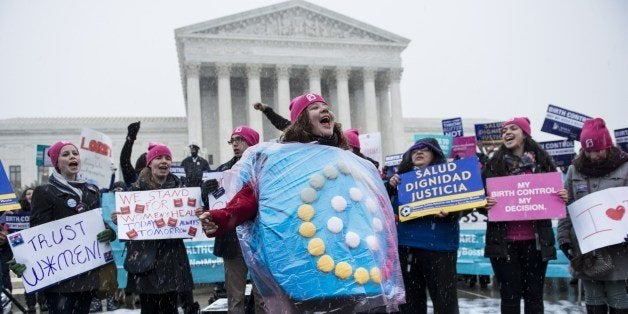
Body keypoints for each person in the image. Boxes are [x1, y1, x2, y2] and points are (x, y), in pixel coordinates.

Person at [198, 93, 404, 313]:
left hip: (355, 273)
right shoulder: (277, 159)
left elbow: (371, 209)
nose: (325, 110)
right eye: (314, 107)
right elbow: (249, 198)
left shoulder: (352, 161)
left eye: (326, 106)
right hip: (304, 275)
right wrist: (221, 218)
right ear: (302, 119)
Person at [8, 141, 117, 314]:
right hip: (60, 280)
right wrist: (22, 257)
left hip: (87, 276)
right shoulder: (44, 192)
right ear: (56, 163)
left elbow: (98, 226)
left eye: (75, 153)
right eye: (65, 154)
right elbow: (36, 234)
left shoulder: (91, 190)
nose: (72, 156)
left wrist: (109, 233)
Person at [482, 118, 568, 313]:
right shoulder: (493, 165)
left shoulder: (544, 163)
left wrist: (561, 196)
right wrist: (483, 203)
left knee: (534, 297)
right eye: (504, 130)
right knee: (510, 298)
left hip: (536, 244)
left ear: (525, 134)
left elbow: (553, 196)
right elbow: (478, 199)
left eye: (513, 128)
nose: (507, 133)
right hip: (504, 244)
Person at [112, 144, 194, 314]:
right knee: (149, 308)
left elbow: (188, 221)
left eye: (168, 158)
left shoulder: (181, 189)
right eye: (159, 158)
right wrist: (119, 219)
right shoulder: (135, 190)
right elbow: (129, 223)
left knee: (170, 307)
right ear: (149, 162)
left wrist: (195, 213)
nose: (164, 161)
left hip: (172, 258)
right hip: (145, 260)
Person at [557, 118, 628, 314]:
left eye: (598, 150)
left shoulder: (625, 167)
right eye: (588, 151)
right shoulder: (574, 169)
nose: (593, 155)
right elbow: (566, 205)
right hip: (586, 244)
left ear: (608, 145)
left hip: (618, 247)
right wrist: (563, 238)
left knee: (617, 294)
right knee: (593, 294)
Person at [385, 138, 460, 314]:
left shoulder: (450, 177)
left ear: (435, 154)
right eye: (415, 150)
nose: (419, 152)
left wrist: (451, 211)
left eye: (425, 149)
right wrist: (390, 186)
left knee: (445, 303)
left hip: (440, 248)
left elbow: (467, 204)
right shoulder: (400, 179)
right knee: (411, 304)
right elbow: (384, 204)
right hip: (408, 248)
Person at [209, 125, 266, 314]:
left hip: (260, 241)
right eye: (232, 141)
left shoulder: (265, 167)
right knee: (235, 299)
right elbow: (214, 207)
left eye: (240, 140)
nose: (235, 145)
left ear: (251, 143)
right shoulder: (221, 172)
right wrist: (206, 192)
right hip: (233, 242)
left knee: (264, 298)